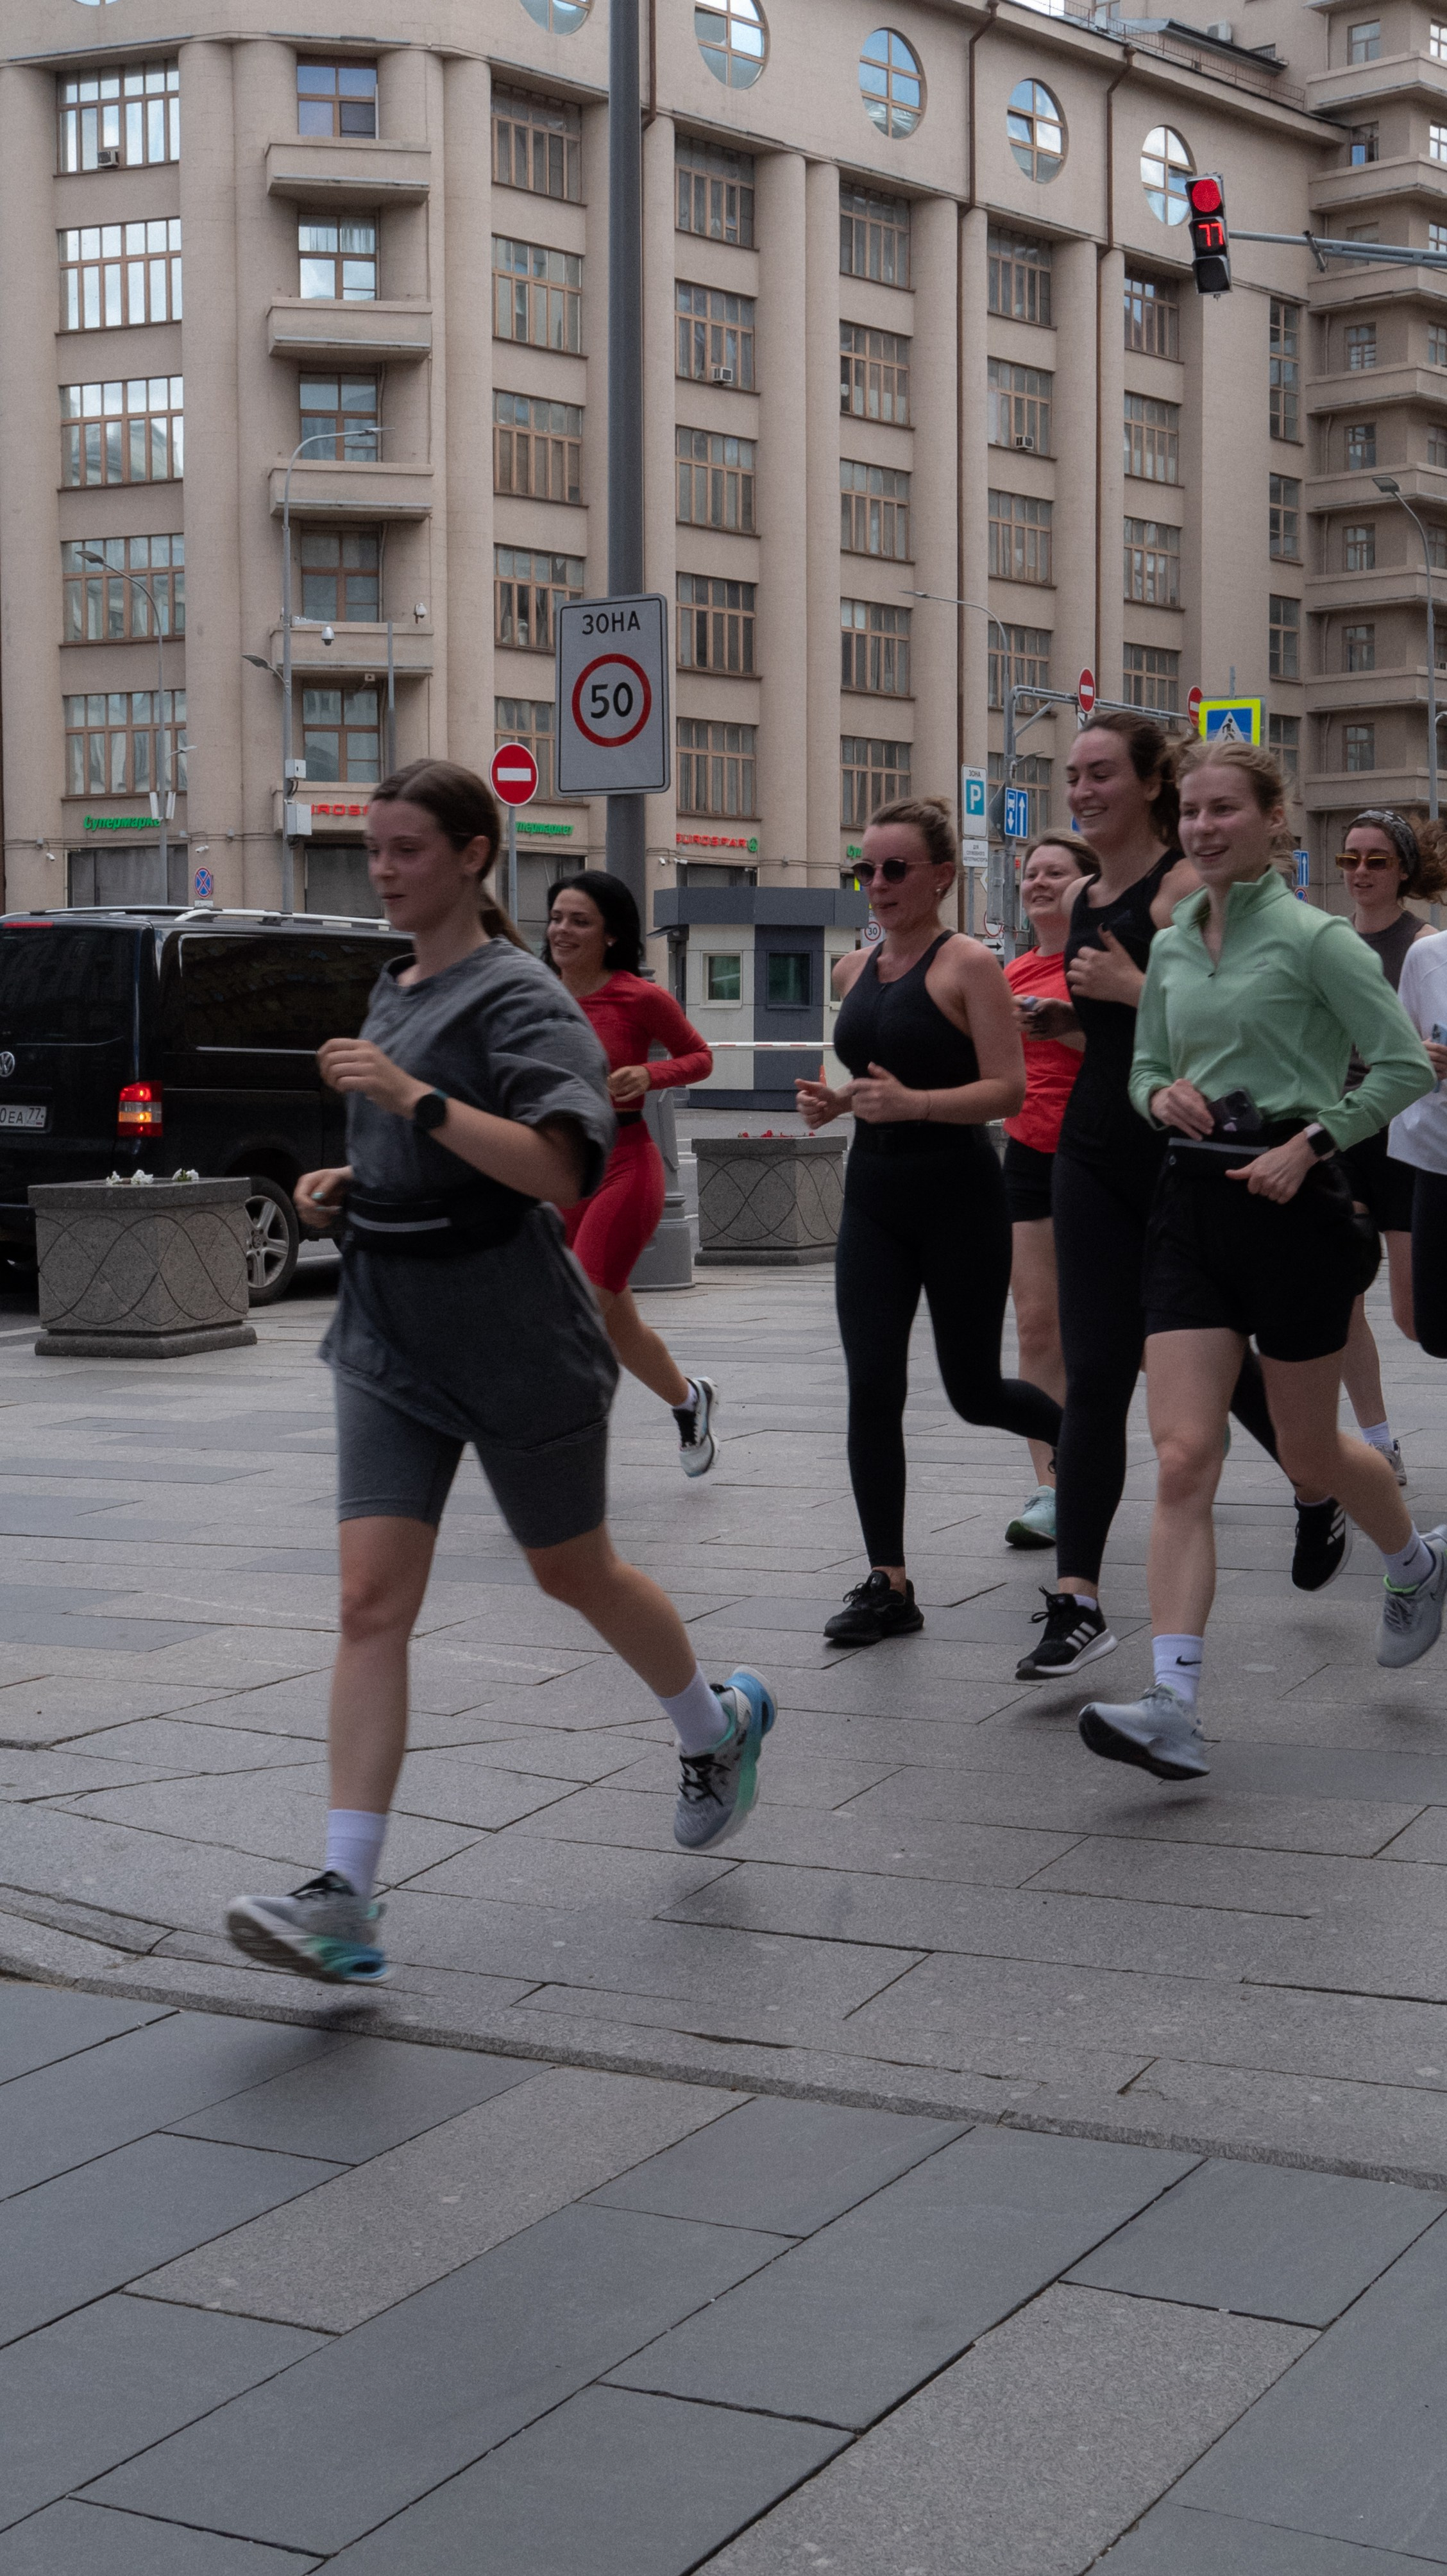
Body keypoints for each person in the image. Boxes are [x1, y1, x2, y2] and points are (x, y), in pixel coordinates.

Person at [224, 761, 774, 1984]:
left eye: (407, 849)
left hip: (516, 1332)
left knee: (572, 1570)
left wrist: (410, 1100)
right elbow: (432, 1156)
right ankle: (345, 1896)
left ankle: (716, 1725)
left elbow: (561, 1168)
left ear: (473, 855)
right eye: (373, 848)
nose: (382, 869)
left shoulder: (520, 995)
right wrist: (354, 1185)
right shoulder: (395, 983)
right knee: (370, 1602)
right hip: (387, 1331)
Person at [1079, 737, 1441, 1784]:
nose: (1202, 828)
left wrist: (1311, 1143)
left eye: (1223, 810)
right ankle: (1172, 1704)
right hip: (1189, 1207)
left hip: (1294, 1208)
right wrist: (1159, 1095)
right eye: (1191, 812)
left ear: (1274, 820)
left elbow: (1405, 1066)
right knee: (1183, 1456)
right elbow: (1148, 1067)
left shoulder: (1317, 940)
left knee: (1309, 1457)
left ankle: (1414, 1563)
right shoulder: (1174, 943)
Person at [1011, 711, 1343, 1688]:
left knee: (1219, 1370)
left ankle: (1318, 1483)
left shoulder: (1186, 887)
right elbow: (1124, 1046)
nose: (1082, 791)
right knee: (1097, 1368)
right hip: (1092, 1146)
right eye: (1074, 775)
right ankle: (1078, 1599)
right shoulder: (1084, 897)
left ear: (1152, 783)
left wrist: (1127, 987)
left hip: (1181, 1156)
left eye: (1101, 773)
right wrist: (1071, 1017)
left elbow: (1226, 1009)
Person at [796, 795, 1062, 1646]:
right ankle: (889, 1583)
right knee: (872, 1387)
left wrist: (914, 1104)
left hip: (959, 1194)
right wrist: (841, 1101)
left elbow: (1008, 1088)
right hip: (874, 1195)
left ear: (941, 876)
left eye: (894, 868)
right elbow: (881, 1074)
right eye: (865, 869)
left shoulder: (968, 965)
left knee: (974, 1392)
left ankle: (1081, 1440)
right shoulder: (854, 969)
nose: (876, 883)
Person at [545, 870, 719, 1476]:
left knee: (578, 1310)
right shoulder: (534, 996)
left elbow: (700, 1057)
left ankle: (556, 1450)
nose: (562, 931)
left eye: (580, 921)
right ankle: (689, 1400)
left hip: (625, 1163)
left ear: (612, 935)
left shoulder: (639, 998)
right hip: (561, 1173)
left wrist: (650, 1075)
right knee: (619, 1325)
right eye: (557, 918)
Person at [1333, 810, 1447, 1483]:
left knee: (1414, 1318)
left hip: (1405, 1138)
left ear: (1403, 870)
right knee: (1343, 1290)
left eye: (1376, 860)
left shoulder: (1426, 946)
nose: (1361, 872)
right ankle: (1378, 1443)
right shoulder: (1328, 942)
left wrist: (1423, 1057)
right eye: (1349, 859)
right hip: (1342, 1128)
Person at [1001, 833, 1098, 1550]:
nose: (1038, 882)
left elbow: (1139, 1050)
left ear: (1087, 885)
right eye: (1031, 873)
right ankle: (1052, 1488)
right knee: (1038, 1325)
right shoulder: (1010, 971)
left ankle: (1210, 1397)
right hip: (1028, 1152)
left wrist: (1062, 1027)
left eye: (1055, 873)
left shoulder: (1104, 963)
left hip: (1101, 1154)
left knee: (1121, 1323)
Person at [1388, 917, 1447, 1360]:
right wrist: (1417, 1057)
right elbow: (1397, 1052)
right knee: (1435, 1329)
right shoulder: (1427, 957)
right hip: (1437, 1158)